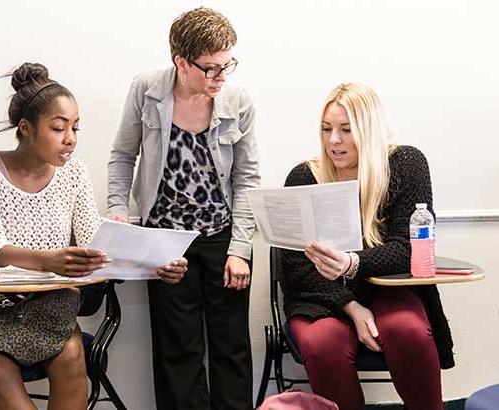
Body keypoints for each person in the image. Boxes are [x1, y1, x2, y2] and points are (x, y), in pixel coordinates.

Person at [0, 62, 187, 410]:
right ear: (26, 128)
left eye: (76, 129)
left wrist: (158, 264)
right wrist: (51, 259)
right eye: (58, 128)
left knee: (70, 356)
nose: (71, 140)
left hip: (48, 308)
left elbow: (97, 242)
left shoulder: (74, 174)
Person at [107, 7, 260, 410]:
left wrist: (240, 250)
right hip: (165, 240)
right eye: (210, 68)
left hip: (221, 237)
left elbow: (247, 179)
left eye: (226, 65)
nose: (221, 76)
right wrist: (119, 211)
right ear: (181, 62)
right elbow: (123, 156)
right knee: (178, 350)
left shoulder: (239, 100)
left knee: (231, 348)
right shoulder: (147, 90)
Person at [281, 83, 454, 410]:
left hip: (388, 288)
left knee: (408, 330)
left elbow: (408, 248)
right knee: (322, 345)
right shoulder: (305, 176)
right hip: (321, 294)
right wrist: (351, 305)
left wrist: (352, 263)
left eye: (346, 130)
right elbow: (295, 266)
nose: (334, 140)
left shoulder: (406, 164)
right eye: (326, 129)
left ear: (370, 130)